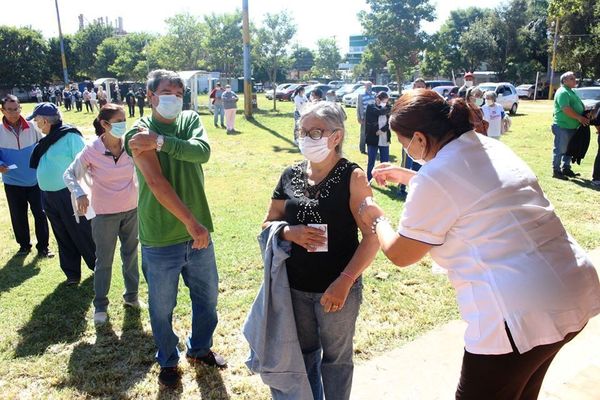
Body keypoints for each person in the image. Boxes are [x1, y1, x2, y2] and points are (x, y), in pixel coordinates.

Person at [358, 89, 600, 400]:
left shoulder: (436, 176)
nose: (406, 150)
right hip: (570, 286)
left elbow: (402, 253)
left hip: (519, 311)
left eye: (404, 144)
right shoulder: (488, 147)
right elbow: (471, 188)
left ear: (418, 138)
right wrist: (410, 177)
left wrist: (376, 218)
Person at [262, 101, 378, 400]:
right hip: (295, 287)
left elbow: (372, 236)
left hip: (337, 289)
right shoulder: (289, 174)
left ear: (336, 136)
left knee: (337, 361)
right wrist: (290, 231)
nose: (306, 137)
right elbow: (268, 223)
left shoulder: (352, 176)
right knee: (304, 356)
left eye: (316, 131)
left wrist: (344, 281)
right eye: (302, 131)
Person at [124, 69, 226, 388]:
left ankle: (199, 348)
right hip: (161, 236)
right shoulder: (137, 132)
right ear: (150, 96)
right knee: (161, 307)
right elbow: (156, 183)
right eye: (167, 92)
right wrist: (193, 224)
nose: (175, 99)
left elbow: (203, 152)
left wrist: (161, 142)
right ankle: (168, 359)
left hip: (198, 235)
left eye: (180, 94)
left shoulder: (190, 120)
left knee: (207, 299)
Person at [64, 104, 140, 325]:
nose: (123, 125)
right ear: (104, 124)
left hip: (131, 210)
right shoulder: (92, 150)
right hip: (104, 214)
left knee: (131, 255)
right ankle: (100, 307)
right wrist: (79, 193)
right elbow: (69, 174)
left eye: (125, 120)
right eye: (118, 121)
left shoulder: (130, 145)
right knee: (104, 260)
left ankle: (132, 297)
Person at [27, 102, 96, 285]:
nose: (35, 123)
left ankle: (97, 266)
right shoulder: (47, 138)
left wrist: (82, 191)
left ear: (44, 120)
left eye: (36, 120)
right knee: (62, 234)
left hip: (69, 194)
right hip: (48, 195)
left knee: (81, 232)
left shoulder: (69, 136)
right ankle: (72, 273)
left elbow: (86, 163)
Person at [0, 95, 53, 258]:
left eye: (16, 109)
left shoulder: (32, 126)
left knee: (41, 213)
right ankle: (24, 246)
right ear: (2, 110)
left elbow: (43, 145)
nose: (13, 112)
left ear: (20, 108)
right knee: (18, 215)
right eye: (9, 109)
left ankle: (44, 247)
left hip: (36, 179)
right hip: (12, 181)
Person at [551, 71, 589, 180]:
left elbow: (577, 106)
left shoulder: (570, 91)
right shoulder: (563, 92)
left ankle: (566, 168)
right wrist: (579, 118)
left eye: (574, 78)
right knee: (560, 149)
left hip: (572, 127)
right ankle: (556, 170)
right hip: (563, 127)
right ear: (564, 81)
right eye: (572, 78)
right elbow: (566, 109)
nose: (575, 80)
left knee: (569, 149)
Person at [398, 79, 426, 197]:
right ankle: (401, 188)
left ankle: (418, 187)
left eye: (422, 86)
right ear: (414, 86)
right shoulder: (407, 99)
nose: (419, 88)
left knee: (420, 164)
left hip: (423, 137)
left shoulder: (426, 101)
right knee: (406, 163)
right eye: (418, 86)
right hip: (409, 137)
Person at [365, 91, 391, 182]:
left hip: (384, 138)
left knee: (384, 161)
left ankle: (383, 179)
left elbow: (390, 123)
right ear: (377, 99)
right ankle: (369, 179)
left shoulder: (388, 108)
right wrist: (388, 108)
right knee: (371, 161)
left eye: (386, 101)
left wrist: (382, 130)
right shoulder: (371, 107)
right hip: (373, 138)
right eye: (384, 101)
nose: (385, 103)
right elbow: (378, 113)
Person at [357, 82, 375, 154]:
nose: (369, 87)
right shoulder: (361, 95)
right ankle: (362, 149)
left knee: (372, 132)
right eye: (368, 85)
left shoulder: (374, 94)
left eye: (370, 85)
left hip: (373, 116)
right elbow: (358, 107)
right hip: (364, 116)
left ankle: (372, 148)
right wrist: (359, 117)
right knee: (363, 133)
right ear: (365, 86)